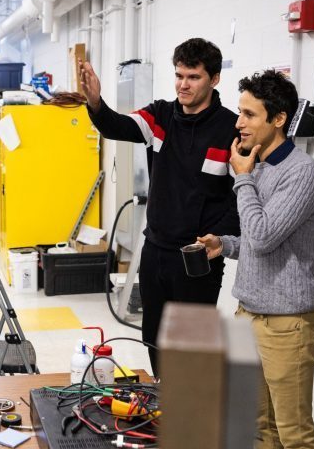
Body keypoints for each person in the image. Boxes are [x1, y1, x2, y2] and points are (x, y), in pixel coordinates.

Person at [197, 69, 314, 449]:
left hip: (287, 324)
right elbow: (256, 238)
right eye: (240, 113)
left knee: (295, 436)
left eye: (250, 114)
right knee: (259, 425)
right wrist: (226, 244)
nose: (239, 123)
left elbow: (267, 235)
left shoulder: (302, 173)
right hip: (249, 314)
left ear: (278, 119)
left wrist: (241, 178)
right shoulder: (260, 167)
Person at [79, 37, 240, 375]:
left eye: (193, 77)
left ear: (214, 79)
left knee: (191, 349)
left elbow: (239, 198)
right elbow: (116, 126)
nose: (183, 84)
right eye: (179, 75)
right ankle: (163, 406)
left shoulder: (231, 129)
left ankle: (191, 417)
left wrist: (215, 239)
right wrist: (95, 101)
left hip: (197, 259)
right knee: (154, 339)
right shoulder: (160, 116)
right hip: (155, 252)